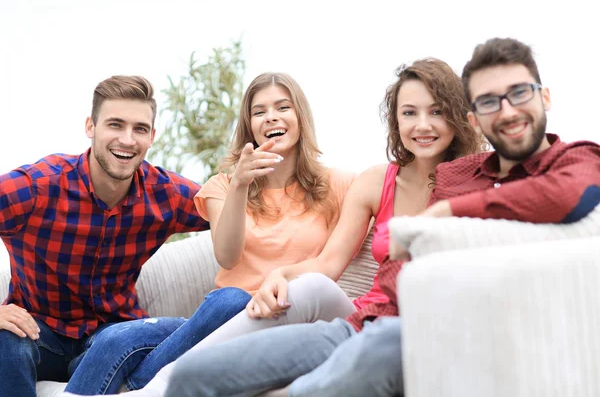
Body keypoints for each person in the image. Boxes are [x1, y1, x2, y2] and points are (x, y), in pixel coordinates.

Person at [165, 38, 600, 397]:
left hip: (417, 332)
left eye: (519, 94)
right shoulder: (460, 173)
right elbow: (330, 263)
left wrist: (445, 213)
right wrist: (281, 272)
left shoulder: (570, 161)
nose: (505, 111)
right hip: (361, 322)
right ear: (475, 115)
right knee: (192, 377)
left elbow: (567, 194)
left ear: (544, 96)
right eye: (489, 101)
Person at [69, 57, 482, 397]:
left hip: (308, 314)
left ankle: (151, 386)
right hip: (236, 313)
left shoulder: (341, 184)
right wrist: (242, 189)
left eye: (282, 107)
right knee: (121, 337)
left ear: (300, 117)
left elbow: (329, 268)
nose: (421, 125)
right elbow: (233, 256)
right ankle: (143, 386)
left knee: (246, 300)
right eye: (409, 113)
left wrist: (282, 278)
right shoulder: (229, 185)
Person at [0, 75, 216, 397]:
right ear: (91, 127)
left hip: (114, 337)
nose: (127, 140)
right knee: (6, 339)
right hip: (39, 333)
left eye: (140, 129)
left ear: (152, 136)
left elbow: (245, 214)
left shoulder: (165, 194)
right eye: (115, 125)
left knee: (157, 333)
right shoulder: (38, 187)